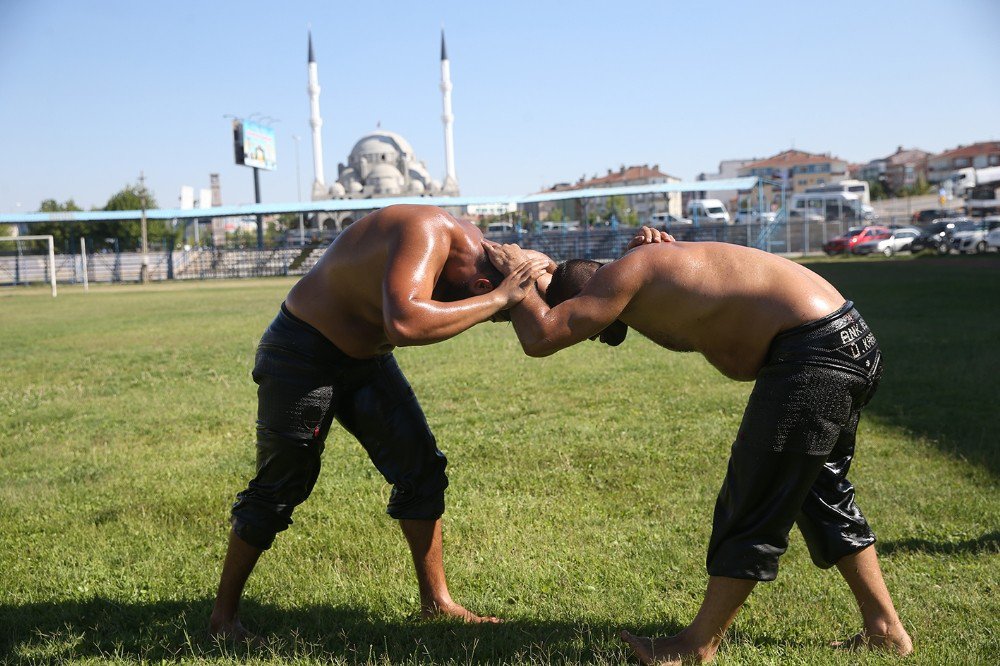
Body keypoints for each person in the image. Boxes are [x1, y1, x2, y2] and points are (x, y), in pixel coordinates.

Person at [483, 227, 912, 663]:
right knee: (821, 493)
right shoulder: (655, 273)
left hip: (814, 351)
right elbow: (740, 363)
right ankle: (885, 629)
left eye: (589, 320)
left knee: (753, 496)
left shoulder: (622, 275)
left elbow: (541, 337)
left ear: (593, 295)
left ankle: (694, 646)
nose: (593, 333)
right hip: (848, 341)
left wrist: (516, 285)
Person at [209, 204, 550, 641]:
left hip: (366, 358)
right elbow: (406, 320)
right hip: (302, 352)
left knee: (422, 469)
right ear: (484, 283)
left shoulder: (483, 249)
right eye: (482, 300)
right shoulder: (428, 230)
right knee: (280, 486)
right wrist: (499, 300)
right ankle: (223, 620)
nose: (482, 311)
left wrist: (537, 270)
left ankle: (437, 604)